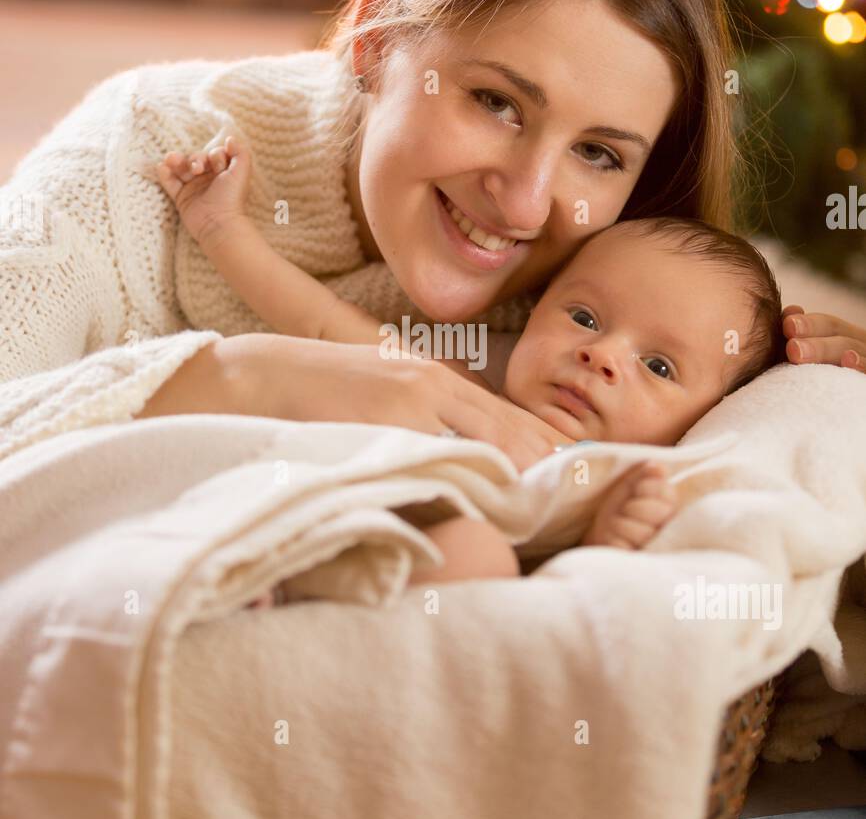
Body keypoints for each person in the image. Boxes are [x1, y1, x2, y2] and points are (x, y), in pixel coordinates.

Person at [1, 0, 862, 469]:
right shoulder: (139, 155)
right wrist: (252, 378)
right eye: (497, 102)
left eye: (598, 154)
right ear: (375, 41)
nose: (525, 204)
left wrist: (814, 388)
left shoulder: (617, 302)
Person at [156, 135, 785, 594]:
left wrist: (607, 537)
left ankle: (293, 587)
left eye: (659, 366)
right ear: (536, 309)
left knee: (478, 556)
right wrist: (221, 229)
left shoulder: (617, 479)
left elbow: (576, 597)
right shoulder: (454, 378)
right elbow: (321, 322)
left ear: (712, 416)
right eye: (585, 319)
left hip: (404, 565)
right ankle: (265, 571)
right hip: (305, 502)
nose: (602, 356)